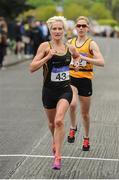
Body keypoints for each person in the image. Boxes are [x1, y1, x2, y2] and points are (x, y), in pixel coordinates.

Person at [29, 16, 80, 170]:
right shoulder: (45, 46)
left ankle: (58, 156)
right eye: (54, 29)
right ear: (50, 31)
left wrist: (76, 64)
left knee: (59, 121)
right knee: (52, 124)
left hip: (65, 90)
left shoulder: (69, 47)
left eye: (60, 28)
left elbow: (76, 56)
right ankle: (55, 140)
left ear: (64, 30)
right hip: (48, 91)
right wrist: (48, 57)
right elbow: (32, 68)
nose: (57, 31)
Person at [67, 16, 105, 151]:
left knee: (85, 113)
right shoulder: (70, 42)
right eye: (79, 26)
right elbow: (63, 59)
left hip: (85, 80)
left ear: (88, 28)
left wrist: (82, 57)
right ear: (75, 28)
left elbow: (102, 62)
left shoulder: (91, 44)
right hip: (72, 77)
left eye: (84, 26)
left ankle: (86, 138)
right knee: (72, 104)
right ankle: (73, 127)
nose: (81, 28)